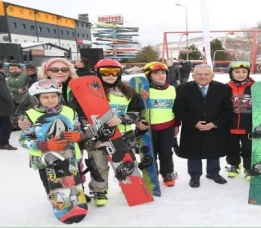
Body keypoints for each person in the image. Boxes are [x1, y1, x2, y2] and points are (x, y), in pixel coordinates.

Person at [80, 58, 147, 206]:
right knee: (99, 166)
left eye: (114, 72)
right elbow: (80, 115)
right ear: (98, 73)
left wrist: (122, 118)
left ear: (119, 73)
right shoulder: (89, 92)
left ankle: (129, 185)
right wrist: (89, 134)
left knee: (126, 163)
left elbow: (137, 111)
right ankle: (100, 191)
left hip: (122, 135)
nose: (110, 75)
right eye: (105, 72)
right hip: (98, 136)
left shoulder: (127, 91)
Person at [19, 79, 91, 199]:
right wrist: (44, 145)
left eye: (54, 96)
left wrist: (79, 136)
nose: (51, 100)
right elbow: (23, 140)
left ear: (59, 96)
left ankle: (78, 196)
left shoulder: (69, 111)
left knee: (73, 180)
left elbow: (79, 129)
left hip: (69, 156)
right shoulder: (29, 115)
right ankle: (58, 201)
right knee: (52, 184)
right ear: (37, 99)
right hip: (44, 160)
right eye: (45, 97)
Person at [173, 64, 232, 188]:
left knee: (214, 150)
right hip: (192, 127)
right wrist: (194, 123)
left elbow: (227, 110)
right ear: (193, 75)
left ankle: (213, 172)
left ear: (212, 75)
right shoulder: (182, 89)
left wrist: (214, 124)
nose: (203, 76)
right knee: (193, 152)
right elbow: (179, 110)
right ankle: (194, 176)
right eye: (199, 74)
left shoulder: (223, 89)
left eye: (206, 74)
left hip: (214, 127)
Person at [142, 61, 180, 187]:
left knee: (166, 151)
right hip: (149, 128)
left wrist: (176, 124)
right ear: (149, 76)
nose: (160, 76)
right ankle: (153, 173)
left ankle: (167, 173)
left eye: (163, 73)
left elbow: (176, 109)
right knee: (151, 152)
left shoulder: (172, 89)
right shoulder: (144, 90)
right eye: (156, 73)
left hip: (167, 126)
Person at [224, 61, 255, 181]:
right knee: (231, 147)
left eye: (244, 72)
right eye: (237, 72)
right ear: (231, 73)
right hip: (230, 123)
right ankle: (234, 165)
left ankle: (248, 168)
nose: (240, 74)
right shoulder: (225, 88)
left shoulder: (254, 87)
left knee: (248, 147)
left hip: (248, 123)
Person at [0, 61, 17, 150]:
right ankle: (4, 143)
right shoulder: (0, 77)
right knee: (6, 124)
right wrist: (10, 102)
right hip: (3, 106)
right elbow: (3, 91)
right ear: (2, 67)